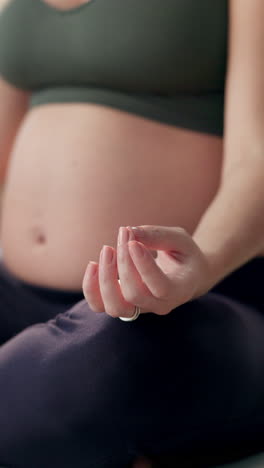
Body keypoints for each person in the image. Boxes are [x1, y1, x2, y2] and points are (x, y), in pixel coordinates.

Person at [0, 0, 264, 467]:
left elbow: (257, 158)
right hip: (15, 295)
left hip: (185, 306)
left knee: (112, 362)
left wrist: (202, 263)